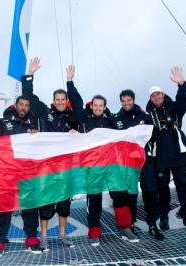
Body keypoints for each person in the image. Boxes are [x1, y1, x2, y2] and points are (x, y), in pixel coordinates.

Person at [66, 65, 139, 247]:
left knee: (120, 195)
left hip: (112, 165)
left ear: (105, 107)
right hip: (92, 166)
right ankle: (94, 232)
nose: (98, 108)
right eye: (95, 105)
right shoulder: (84, 118)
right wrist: (70, 83)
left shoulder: (111, 120)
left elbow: (127, 133)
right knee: (94, 198)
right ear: (92, 106)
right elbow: (75, 101)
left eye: (101, 105)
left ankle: (125, 227)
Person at [21, 57, 78, 251]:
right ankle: (44, 237)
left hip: (65, 168)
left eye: (63, 100)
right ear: (53, 101)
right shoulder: (44, 112)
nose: (60, 102)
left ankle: (62, 235)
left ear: (66, 101)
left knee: (63, 204)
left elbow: (79, 107)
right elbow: (28, 96)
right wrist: (29, 75)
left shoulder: (72, 117)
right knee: (45, 204)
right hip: (46, 167)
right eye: (58, 100)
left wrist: (70, 82)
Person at [0, 95, 43, 257]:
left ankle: (31, 239)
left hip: (27, 171)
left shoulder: (34, 123)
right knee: (3, 208)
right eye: (21, 104)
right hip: (5, 172)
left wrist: (37, 136)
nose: (23, 107)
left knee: (30, 207)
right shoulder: (2, 120)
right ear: (15, 105)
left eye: (26, 105)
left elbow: (43, 145)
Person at [146, 66, 186, 233]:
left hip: (180, 153)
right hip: (161, 156)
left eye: (158, 94)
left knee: (185, 184)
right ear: (151, 98)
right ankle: (164, 215)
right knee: (162, 187)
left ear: (163, 95)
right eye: (153, 95)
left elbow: (184, 99)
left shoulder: (175, 108)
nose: (156, 97)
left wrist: (182, 84)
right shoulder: (148, 116)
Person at [113, 89, 164, 240]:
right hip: (126, 162)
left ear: (133, 100)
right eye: (123, 101)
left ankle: (153, 224)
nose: (126, 103)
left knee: (150, 189)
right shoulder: (116, 118)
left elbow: (154, 134)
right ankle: (131, 223)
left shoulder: (145, 116)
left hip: (143, 159)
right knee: (130, 193)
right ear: (120, 102)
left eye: (129, 100)